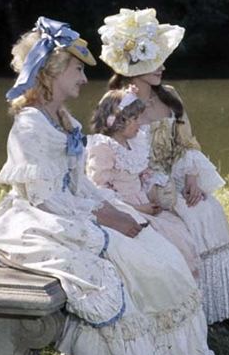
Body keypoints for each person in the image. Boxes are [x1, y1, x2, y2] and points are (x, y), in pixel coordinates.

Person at [0, 18, 214, 355]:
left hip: (71, 207)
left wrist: (116, 210)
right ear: (52, 73)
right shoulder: (30, 126)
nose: (85, 79)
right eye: (78, 69)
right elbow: (45, 198)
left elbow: (82, 184)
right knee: (124, 259)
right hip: (40, 219)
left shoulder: (64, 120)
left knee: (156, 248)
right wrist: (108, 218)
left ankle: (167, 354)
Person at [97, 8, 229, 330]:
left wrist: (192, 178)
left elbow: (187, 143)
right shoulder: (115, 101)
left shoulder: (170, 95)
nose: (162, 66)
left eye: (162, 59)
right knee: (188, 217)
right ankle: (198, 308)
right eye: (155, 60)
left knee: (208, 209)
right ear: (134, 64)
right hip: (140, 178)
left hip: (176, 170)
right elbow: (112, 153)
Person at [85, 88, 201, 281]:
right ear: (120, 120)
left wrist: (157, 187)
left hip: (143, 203)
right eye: (136, 119)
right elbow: (99, 189)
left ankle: (184, 287)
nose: (141, 123)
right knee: (160, 242)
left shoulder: (134, 144)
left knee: (178, 232)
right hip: (121, 208)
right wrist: (138, 208)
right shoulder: (103, 147)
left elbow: (143, 174)